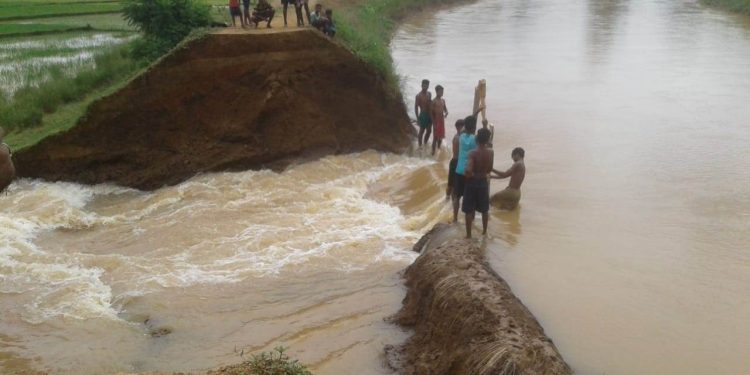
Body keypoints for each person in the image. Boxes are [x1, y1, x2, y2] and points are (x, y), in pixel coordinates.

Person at [463, 128, 494, 238]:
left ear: (477, 139)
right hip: (483, 182)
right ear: (487, 140)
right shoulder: (491, 152)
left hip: (472, 182)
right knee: (484, 209)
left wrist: (467, 174)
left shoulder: (472, 153)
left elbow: (468, 170)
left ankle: (468, 235)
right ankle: (484, 232)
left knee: (468, 210)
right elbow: (489, 169)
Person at [452, 115, 477, 223]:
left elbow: (463, 128)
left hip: (459, 170)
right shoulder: (475, 139)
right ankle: (471, 219)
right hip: (470, 171)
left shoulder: (461, 137)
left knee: (457, 196)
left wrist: (474, 114)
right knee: (471, 197)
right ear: (474, 127)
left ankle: (455, 218)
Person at [446, 119, 464, 199]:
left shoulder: (457, 136)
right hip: (456, 162)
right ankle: (451, 203)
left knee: (450, 184)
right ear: (459, 127)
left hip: (454, 162)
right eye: (464, 127)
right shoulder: (459, 138)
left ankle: (447, 199)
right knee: (453, 185)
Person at [430, 85, 448, 156]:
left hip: (442, 121)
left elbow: (445, 109)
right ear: (436, 92)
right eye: (440, 91)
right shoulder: (433, 101)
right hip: (436, 121)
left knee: (441, 137)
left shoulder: (443, 100)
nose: (442, 93)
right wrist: (433, 123)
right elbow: (431, 113)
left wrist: (446, 113)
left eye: (442, 91)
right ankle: (433, 152)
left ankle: (438, 149)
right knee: (435, 137)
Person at [414, 79, 432, 148]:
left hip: (429, 114)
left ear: (428, 86)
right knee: (422, 130)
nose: (425, 87)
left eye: (427, 85)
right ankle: (420, 146)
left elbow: (430, 104)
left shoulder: (429, 94)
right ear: (421, 85)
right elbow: (416, 107)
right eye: (424, 85)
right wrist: (417, 118)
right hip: (423, 114)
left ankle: (425, 143)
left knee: (429, 131)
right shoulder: (418, 96)